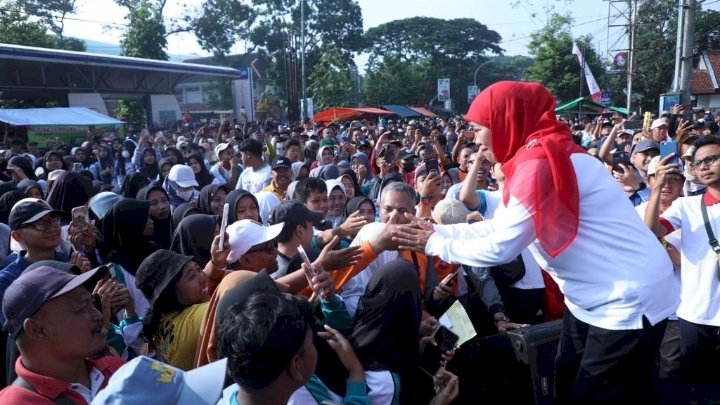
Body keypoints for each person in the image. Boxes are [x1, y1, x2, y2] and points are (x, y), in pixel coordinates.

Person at [392, 81, 678, 403]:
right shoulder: (537, 155)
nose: (473, 138)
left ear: (504, 122)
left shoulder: (540, 162)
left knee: (595, 395)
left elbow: (502, 245)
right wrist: (438, 232)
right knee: (566, 386)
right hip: (590, 300)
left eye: (477, 128)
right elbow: (499, 226)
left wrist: (434, 243)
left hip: (625, 299)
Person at [645, 136, 720, 383]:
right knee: (694, 387)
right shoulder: (686, 206)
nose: (705, 166)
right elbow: (652, 230)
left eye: (712, 159)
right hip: (696, 316)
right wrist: (657, 188)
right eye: (699, 163)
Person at [0, 265, 124, 404]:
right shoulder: (15, 402)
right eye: (82, 308)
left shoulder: (118, 371)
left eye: (93, 304)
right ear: (37, 329)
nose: (99, 315)